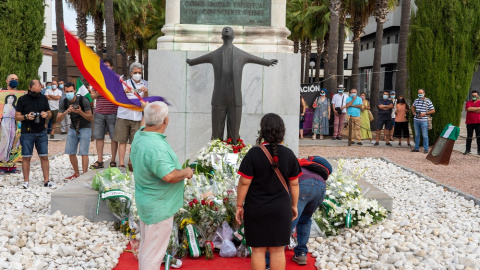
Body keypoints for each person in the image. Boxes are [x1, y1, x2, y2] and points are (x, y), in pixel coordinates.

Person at [130, 101, 193, 270]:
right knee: (153, 254)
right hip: (158, 206)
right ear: (166, 120)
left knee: (147, 248)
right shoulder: (155, 147)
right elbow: (170, 175)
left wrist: (147, 109)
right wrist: (186, 172)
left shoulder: (140, 134)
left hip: (148, 202)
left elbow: (145, 122)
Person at [236, 113, 301, 270]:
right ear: (282, 131)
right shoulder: (289, 154)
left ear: (262, 131)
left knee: (257, 250)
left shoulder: (253, 154)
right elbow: (295, 184)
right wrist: (294, 205)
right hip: (281, 209)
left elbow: (244, 182)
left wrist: (239, 205)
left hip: (256, 208)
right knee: (278, 250)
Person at [14, 80, 53, 189]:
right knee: (26, 157)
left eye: (39, 92)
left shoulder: (43, 98)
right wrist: (26, 117)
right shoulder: (22, 99)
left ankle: (46, 181)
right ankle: (26, 181)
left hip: (41, 131)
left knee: (44, 156)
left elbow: (50, 113)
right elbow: (17, 116)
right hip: (27, 132)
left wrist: (46, 114)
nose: (37, 94)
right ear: (29, 88)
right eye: (35, 92)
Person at [114, 62, 148, 172]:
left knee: (135, 142)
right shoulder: (124, 83)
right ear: (131, 73)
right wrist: (124, 91)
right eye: (136, 72)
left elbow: (147, 100)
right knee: (122, 140)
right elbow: (117, 98)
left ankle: (131, 162)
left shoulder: (146, 84)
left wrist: (146, 92)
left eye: (140, 72)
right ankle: (122, 164)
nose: (138, 74)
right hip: (123, 115)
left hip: (137, 117)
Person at [56, 82, 94, 180]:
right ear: (64, 91)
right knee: (70, 151)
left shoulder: (83, 100)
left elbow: (90, 118)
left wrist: (80, 112)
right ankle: (76, 173)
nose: (69, 93)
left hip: (85, 127)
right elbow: (58, 120)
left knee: (83, 152)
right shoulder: (64, 102)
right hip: (73, 128)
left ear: (75, 91)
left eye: (71, 91)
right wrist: (66, 112)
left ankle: (84, 175)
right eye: (67, 91)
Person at [90, 57, 119, 169]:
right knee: (99, 137)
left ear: (111, 67)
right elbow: (93, 95)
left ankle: (113, 160)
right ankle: (100, 160)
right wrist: (102, 92)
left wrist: (100, 92)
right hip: (99, 112)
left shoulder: (116, 79)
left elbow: (116, 94)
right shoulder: (97, 79)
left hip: (113, 111)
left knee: (114, 137)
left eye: (108, 66)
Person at [411, 89, 435, 153]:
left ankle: (426, 149)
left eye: (421, 93)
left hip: (424, 120)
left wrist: (425, 113)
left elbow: (433, 110)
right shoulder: (416, 100)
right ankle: (416, 148)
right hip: (416, 120)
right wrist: (413, 112)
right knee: (417, 135)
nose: (420, 94)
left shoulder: (428, 101)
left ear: (424, 93)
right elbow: (412, 106)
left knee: (425, 135)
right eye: (419, 93)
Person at [0, 95, 18, 161]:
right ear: (6, 99)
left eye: (12, 98)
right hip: (5, 123)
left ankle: (7, 157)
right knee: (4, 139)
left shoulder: (14, 107)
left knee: (11, 138)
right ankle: (1, 156)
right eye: (9, 98)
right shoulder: (3, 106)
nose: (10, 99)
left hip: (12, 123)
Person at [464, 90, 480, 155]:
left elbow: (471, 109)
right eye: (473, 96)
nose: (474, 97)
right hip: (469, 122)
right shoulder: (468, 102)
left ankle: (479, 151)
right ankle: (468, 150)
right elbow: (468, 109)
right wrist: (478, 109)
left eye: (475, 96)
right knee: (469, 137)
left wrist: (472, 109)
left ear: (478, 95)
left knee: (479, 137)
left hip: (478, 122)